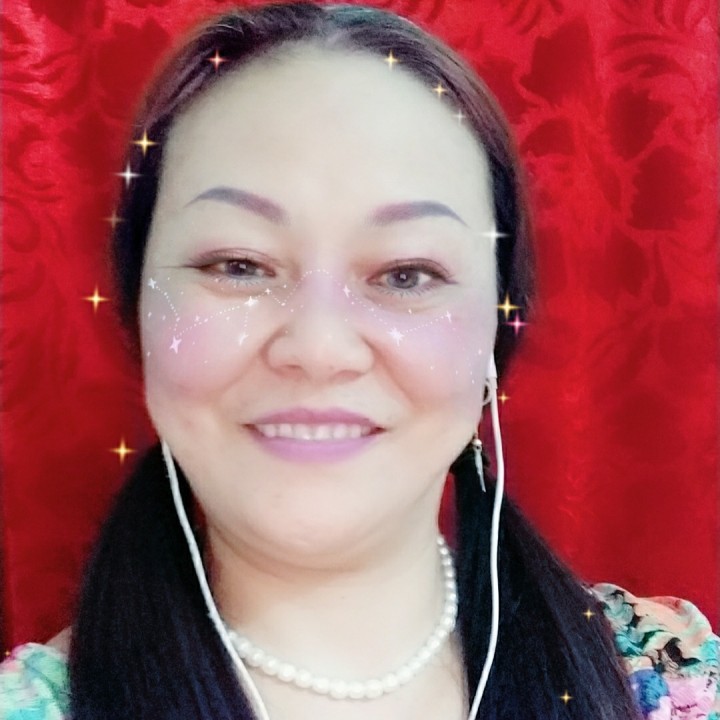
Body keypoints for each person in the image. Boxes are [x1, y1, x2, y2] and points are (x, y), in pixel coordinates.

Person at [1, 3, 718, 719]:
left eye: (407, 274)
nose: (319, 349)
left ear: (497, 327)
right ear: (138, 309)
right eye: (238, 265)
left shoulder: (667, 675)